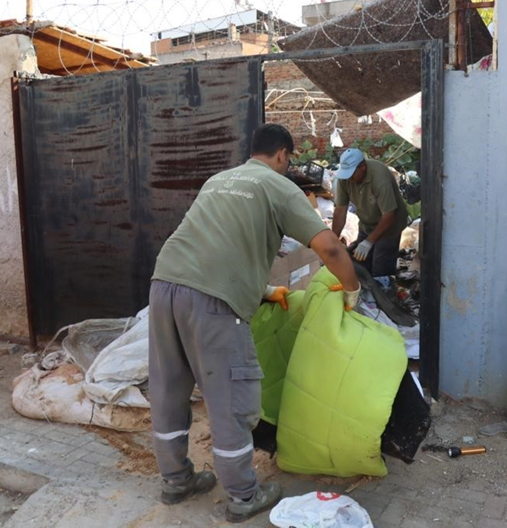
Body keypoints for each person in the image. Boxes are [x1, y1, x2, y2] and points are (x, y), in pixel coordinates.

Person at [148, 124, 360, 523]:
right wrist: (351, 290)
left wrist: (263, 290)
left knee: (168, 390)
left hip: (164, 286)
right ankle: (244, 496)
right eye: (290, 159)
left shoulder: (219, 180)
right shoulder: (278, 186)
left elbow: (215, 245)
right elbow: (329, 246)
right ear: (282, 154)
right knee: (230, 400)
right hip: (213, 302)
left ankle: (176, 481)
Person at [332, 148, 410, 278]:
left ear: (362, 167)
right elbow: (340, 210)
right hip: (366, 223)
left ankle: (385, 294)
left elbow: (389, 215)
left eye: (351, 174)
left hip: (390, 226)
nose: (349, 178)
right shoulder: (345, 178)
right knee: (361, 264)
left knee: (381, 270)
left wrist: (369, 242)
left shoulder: (380, 179)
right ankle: (366, 295)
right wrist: (333, 240)